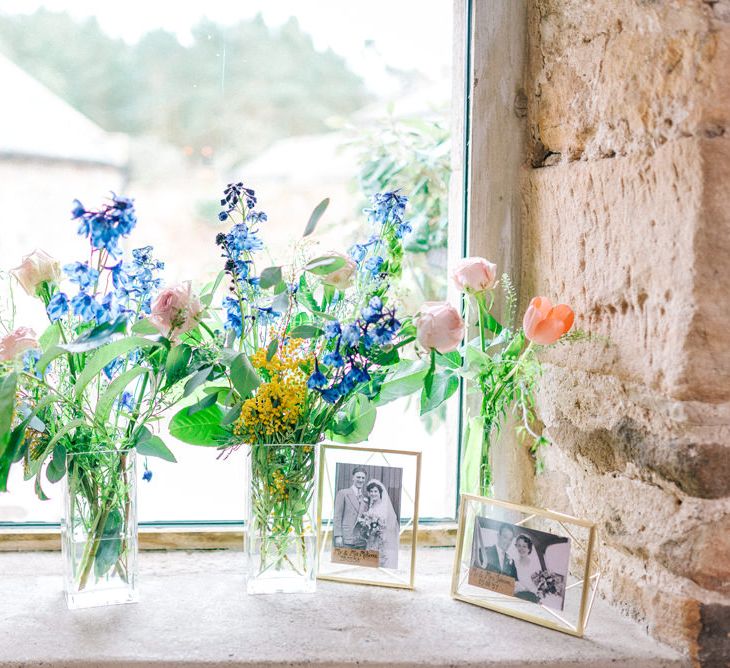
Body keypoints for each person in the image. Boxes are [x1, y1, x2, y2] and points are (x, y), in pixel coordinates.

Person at [363, 479, 399, 568]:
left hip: (381, 539)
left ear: (380, 493)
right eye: (371, 491)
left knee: (380, 561)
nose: (373, 493)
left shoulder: (384, 507)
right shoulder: (371, 506)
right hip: (371, 538)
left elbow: (391, 522)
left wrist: (380, 529)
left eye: (375, 491)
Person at [333, 466, 368, 549]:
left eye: (363, 478)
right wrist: (338, 535)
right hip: (346, 538)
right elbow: (337, 516)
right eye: (358, 477)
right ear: (353, 478)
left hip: (360, 540)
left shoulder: (365, 498)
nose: (360, 480)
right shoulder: (343, 493)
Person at [513, 534, 541, 603]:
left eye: (524, 546)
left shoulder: (535, 566)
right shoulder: (513, 563)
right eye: (519, 545)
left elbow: (537, 587)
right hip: (516, 597)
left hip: (531, 598)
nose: (521, 549)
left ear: (529, 549)